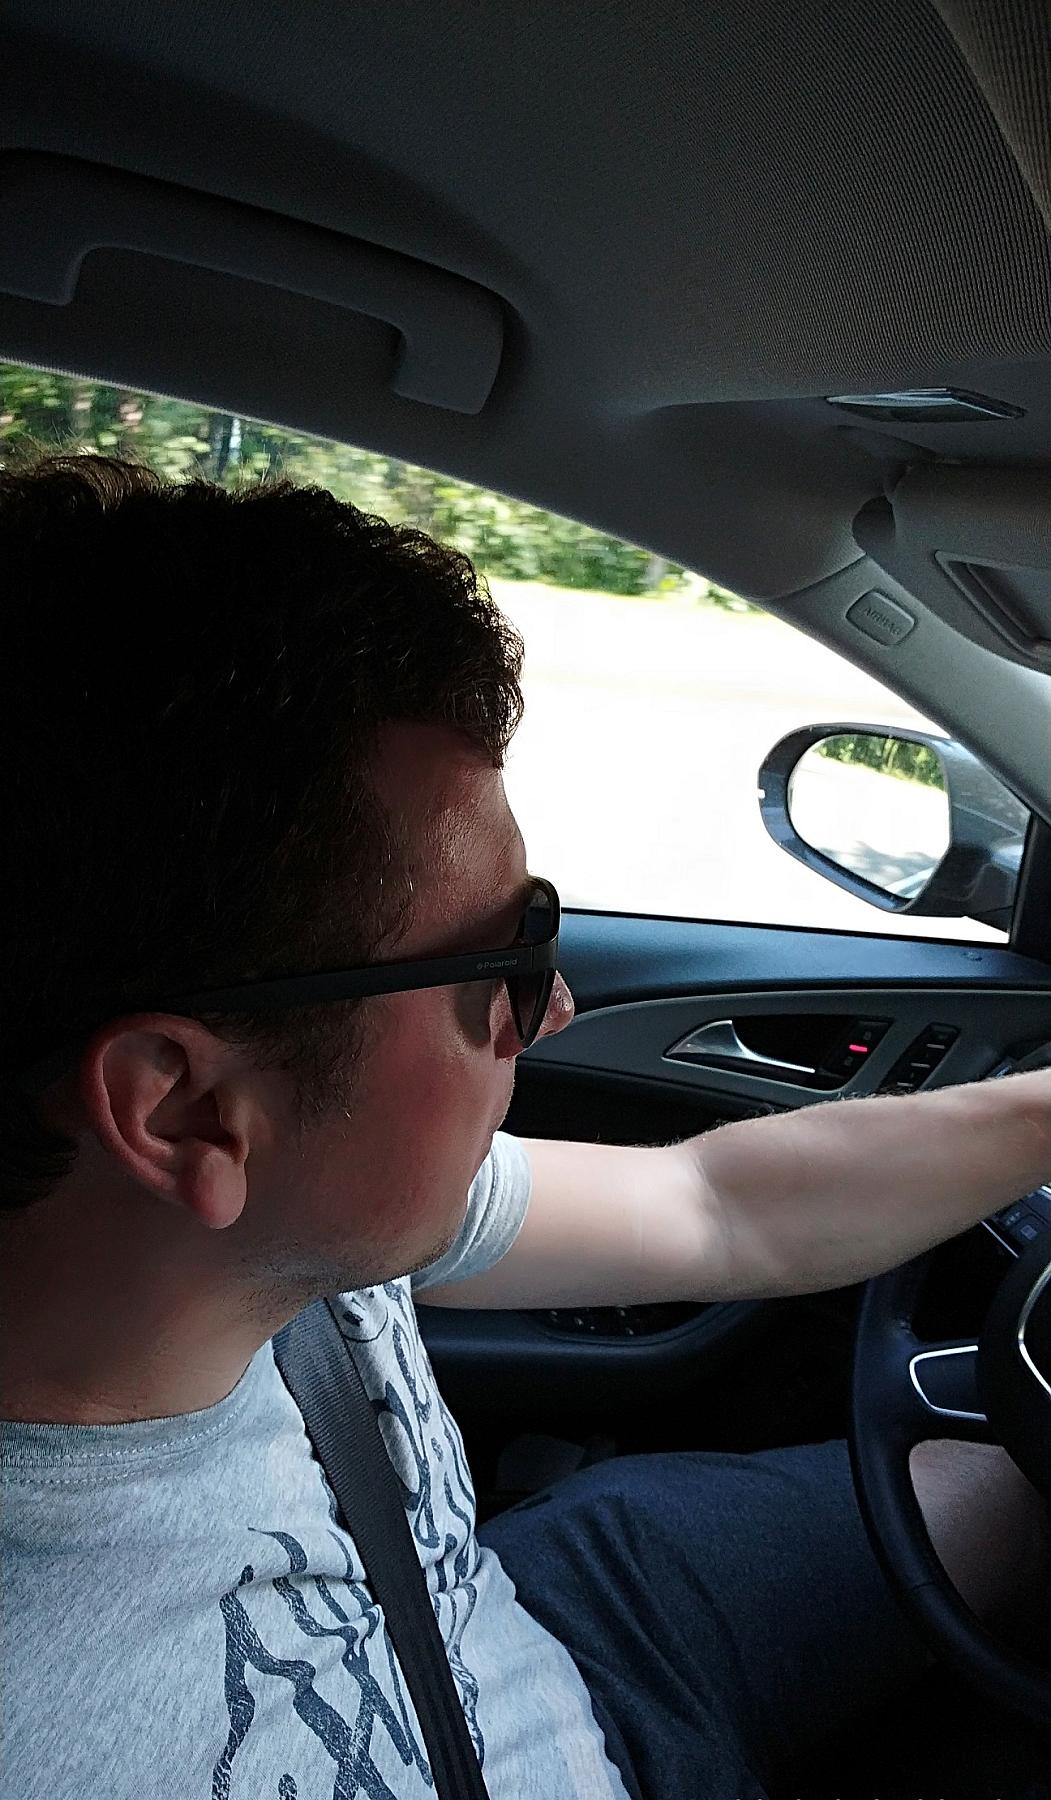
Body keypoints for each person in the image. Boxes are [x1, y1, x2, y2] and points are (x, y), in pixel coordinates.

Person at [1, 453, 1048, 1800]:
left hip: (546, 1635)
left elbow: (719, 1209)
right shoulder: (61, 1730)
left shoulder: (286, 1226)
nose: (551, 1009)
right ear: (187, 1110)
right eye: (500, 959)